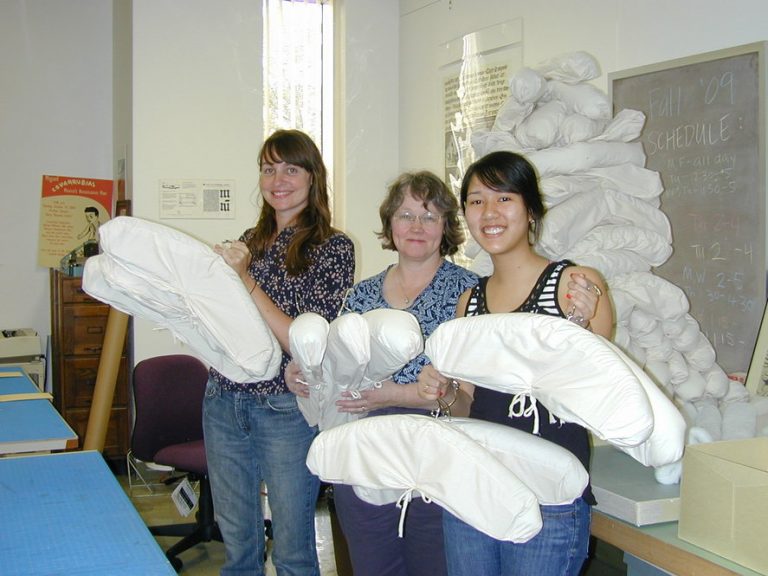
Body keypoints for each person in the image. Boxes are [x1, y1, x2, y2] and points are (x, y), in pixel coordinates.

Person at [418, 150, 612, 576]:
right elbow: (468, 404)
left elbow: (600, 398)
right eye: (475, 199)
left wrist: (579, 329)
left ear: (531, 210)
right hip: (474, 488)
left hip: (549, 496)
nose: (489, 212)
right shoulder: (469, 303)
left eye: (504, 198)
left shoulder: (575, 286)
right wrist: (445, 390)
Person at [288, 170, 478, 576]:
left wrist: (396, 394)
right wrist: (301, 373)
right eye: (405, 214)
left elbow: (469, 396)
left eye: (429, 216)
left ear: (445, 226)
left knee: (433, 563)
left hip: (435, 450)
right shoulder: (362, 293)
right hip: (363, 446)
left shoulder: (469, 292)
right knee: (374, 564)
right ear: (390, 224)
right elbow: (334, 361)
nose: (416, 226)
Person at [204, 129, 355, 576]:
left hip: (284, 407)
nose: (277, 179)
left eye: (291, 168)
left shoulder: (333, 248)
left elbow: (302, 342)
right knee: (237, 544)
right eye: (268, 169)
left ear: (313, 177)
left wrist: (244, 279)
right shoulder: (248, 241)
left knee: (291, 548)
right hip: (222, 398)